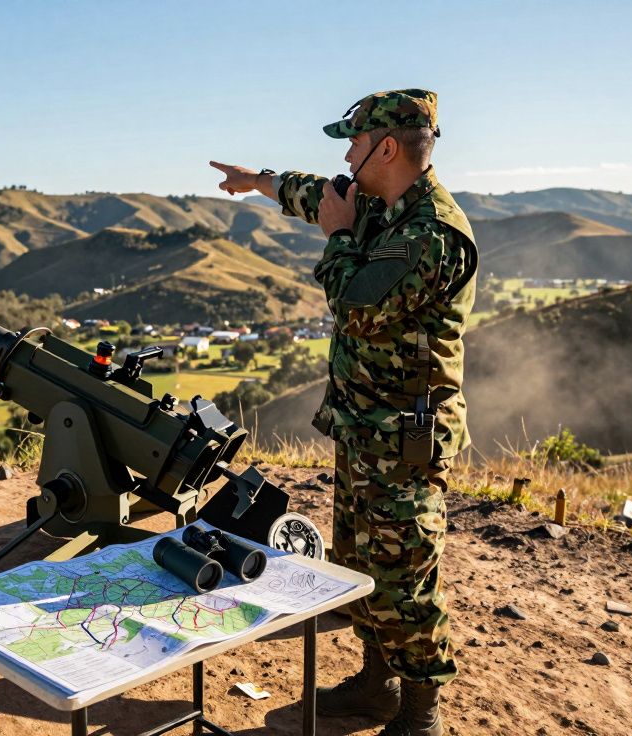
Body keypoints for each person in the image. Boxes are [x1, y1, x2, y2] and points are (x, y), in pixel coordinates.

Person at [210, 89, 478, 736]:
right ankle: (376, 684)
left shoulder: (429, 234)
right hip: (365, 427)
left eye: (354, 144)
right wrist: (261, 182)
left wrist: (336, 236)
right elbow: (319, 194)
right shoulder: (385, 205)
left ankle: (421, 713)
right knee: (362, 564)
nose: (347, 155)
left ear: (386, 148)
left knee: (406, 573)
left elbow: (356, 302)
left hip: (405, 438)